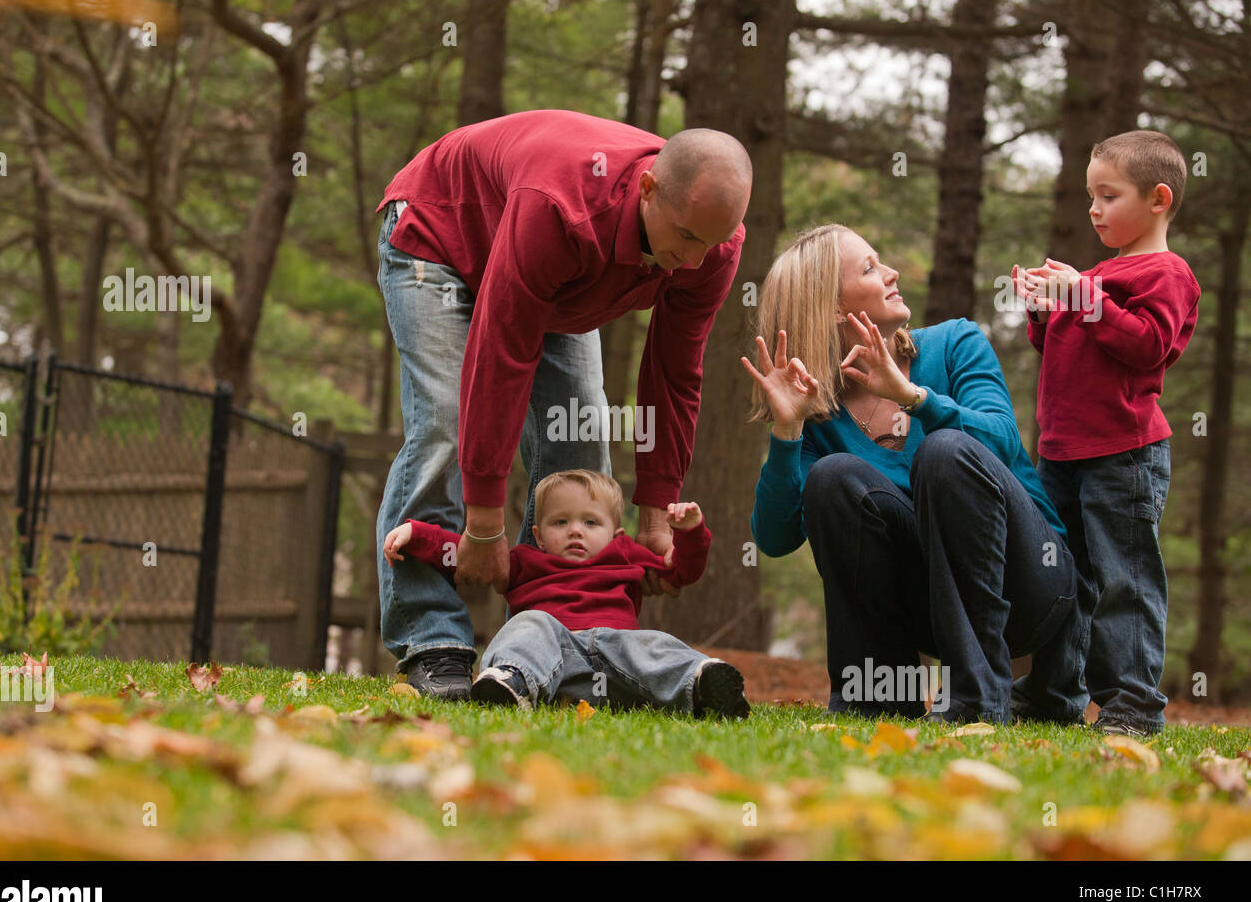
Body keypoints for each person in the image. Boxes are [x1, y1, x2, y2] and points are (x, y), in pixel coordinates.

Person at [374, 110, 751, 698]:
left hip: (559, 279)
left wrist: (656, 509)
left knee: (579, 448)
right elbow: (502, 350)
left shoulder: (710, 242)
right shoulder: (562, 205)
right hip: (443, 238)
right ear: (648, 189)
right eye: (687, 239)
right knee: (446, 426)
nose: (697, 261)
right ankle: (434, 642)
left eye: (714, 243)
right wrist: (482, 523)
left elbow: (675, 372)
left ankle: (554, 645)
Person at [742, 223, 1089, 725]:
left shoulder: (954, 343)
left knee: (947, 452)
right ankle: (876, 701)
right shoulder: (819, 416)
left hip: (1031, 583)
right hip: (931, 607)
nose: (892, 272)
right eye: (869, 268)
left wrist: (914, 398)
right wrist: (788, 429)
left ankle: (976, 702)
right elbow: (773, 538)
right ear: (833, 308)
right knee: (834, 477)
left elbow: (1000, 442)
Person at [1012, 130, 1200, 737]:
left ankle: (1133, 703)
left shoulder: (1167, 274)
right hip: (1062, 452)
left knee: (1125, 578)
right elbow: (1057, 347)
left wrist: (1084, 296)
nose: (1093, 208)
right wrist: (1044, 308)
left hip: (1125, 454)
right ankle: (1053, 693)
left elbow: (1149, 346)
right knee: (1064, 578)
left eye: (1108, 195)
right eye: (1091, 195)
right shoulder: (1095, 276)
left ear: (1157, 199)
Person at [381, 469, 749, 718]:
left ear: (616, 534)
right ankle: (511, 680)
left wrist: (691, 533)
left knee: (653, 644)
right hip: (555, 665)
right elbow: (462, 557)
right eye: (561, 522)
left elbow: (681, 572)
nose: (576, 531)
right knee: (530, 624)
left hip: (618, 660)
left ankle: (701, 681)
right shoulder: (523, 561)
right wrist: (418, 535)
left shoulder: (625, 555)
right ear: (538, 535)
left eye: (590, 522)